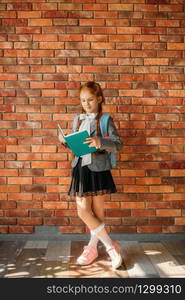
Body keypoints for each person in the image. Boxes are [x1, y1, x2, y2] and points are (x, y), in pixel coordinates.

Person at [58, 81, 123, 269]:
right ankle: (111, 247)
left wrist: (99, 141)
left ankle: (92, 248)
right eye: (83, 100)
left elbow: (118, 144)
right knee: (83, 211)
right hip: (81, 169)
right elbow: (76, 144)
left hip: (99, 169)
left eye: (90, 100)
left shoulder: (105, 120)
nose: (86, 104)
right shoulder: (77, 119)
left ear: (99, 99)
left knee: (98, 213)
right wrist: (65, 141)